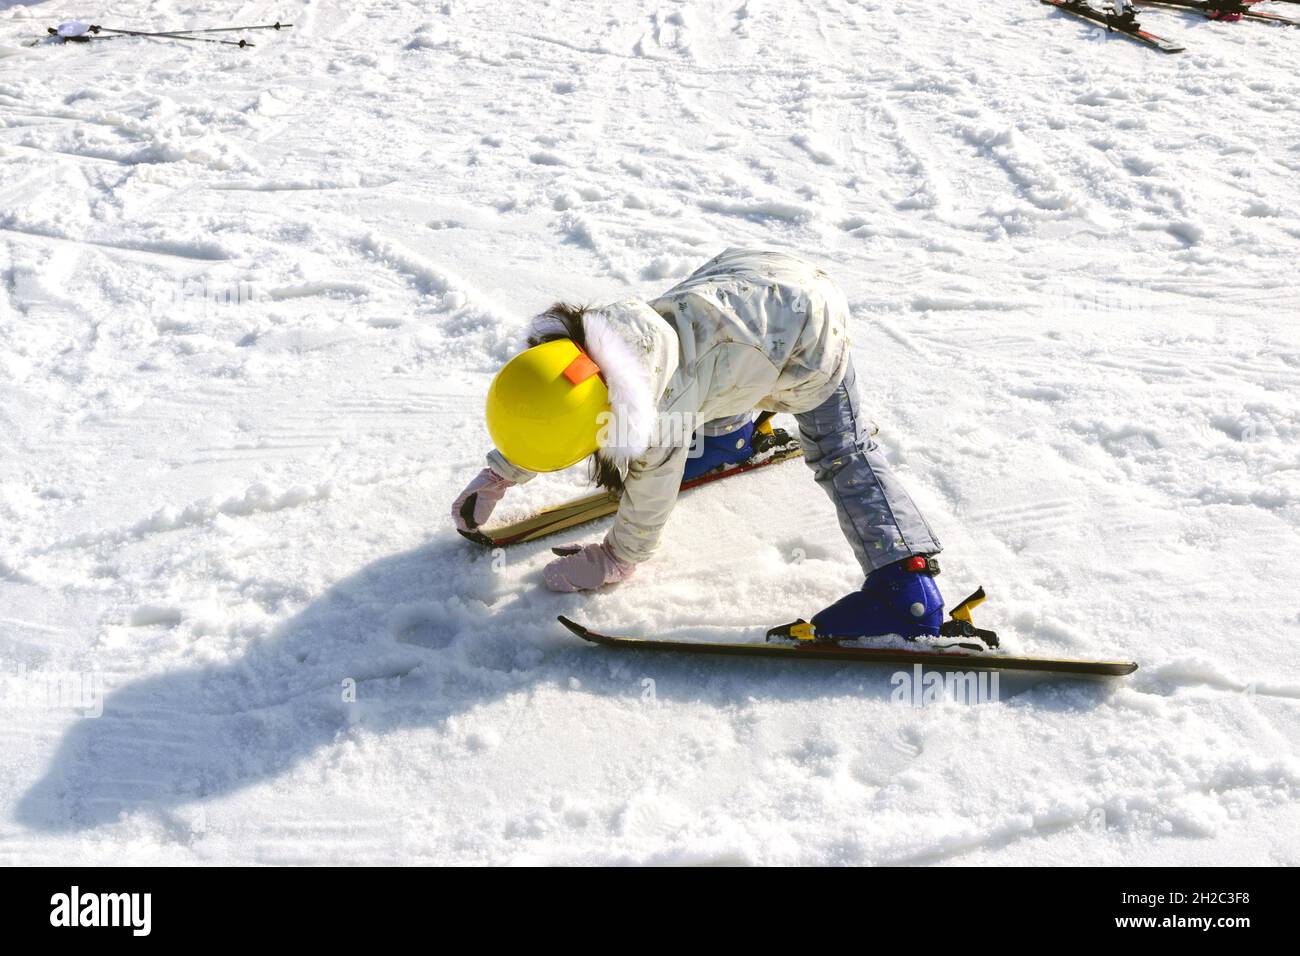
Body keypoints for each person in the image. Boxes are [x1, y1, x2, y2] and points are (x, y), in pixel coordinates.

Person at [452, 248, 946, 639]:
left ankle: (905, 587)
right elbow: (549, 413)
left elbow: (648, 502)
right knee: (711, 369)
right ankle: (726, 439)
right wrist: (501, 472)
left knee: (842, 452)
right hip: (754, 281)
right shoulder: (597, 340)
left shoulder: (657, 420)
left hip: (808, 330)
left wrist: (616, 558)